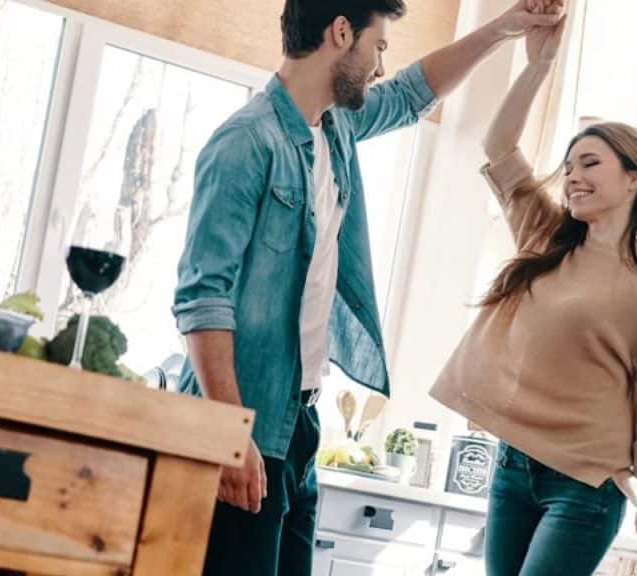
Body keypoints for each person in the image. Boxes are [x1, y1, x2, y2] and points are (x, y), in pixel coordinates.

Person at [171, 1, 566, 574]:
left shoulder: (335, 129)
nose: (381, 66)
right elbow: (202, 300)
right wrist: (228, 432)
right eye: (378, 46)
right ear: (340, 33)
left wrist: (507, 27)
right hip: (241, 425)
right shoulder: (245, 143)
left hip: (297, 424)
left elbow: (412, 92)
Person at [429, 3, 637, 575]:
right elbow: (499, 146)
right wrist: (539, 64)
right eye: (568, 167)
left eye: (590, 163)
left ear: (635, 176)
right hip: (512, 466)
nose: (573, 177)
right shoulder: (545, 238)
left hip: (584, 486)